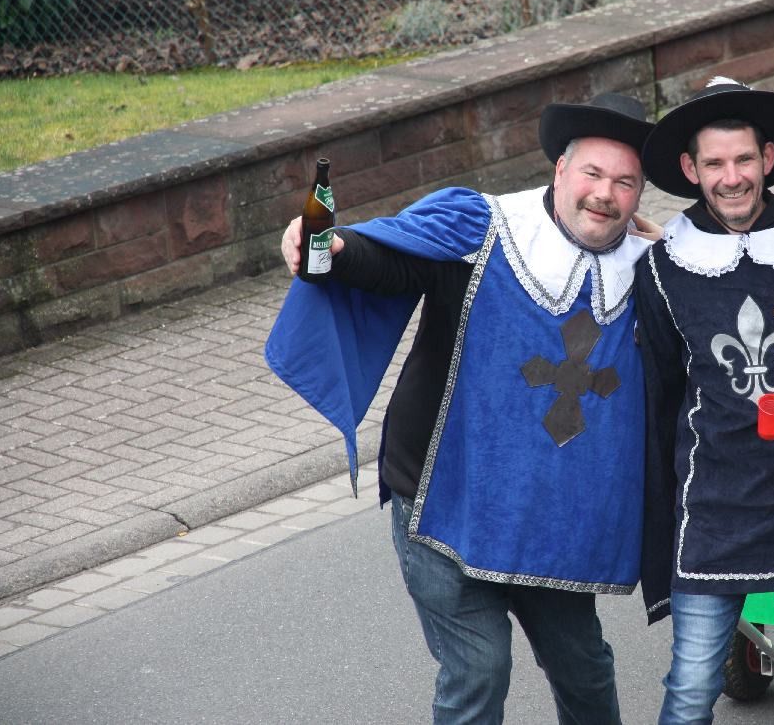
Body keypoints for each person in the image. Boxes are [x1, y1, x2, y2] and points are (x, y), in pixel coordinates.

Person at [266, 92, 658, 724]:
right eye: (592, 173)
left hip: (551, 523)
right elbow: (389, 261)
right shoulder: (482, 227)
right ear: (560, 169)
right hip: (445, 503)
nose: (605, 195)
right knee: (479, 669)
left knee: (584, 671)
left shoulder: (651, 271)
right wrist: (335, 250)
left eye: (625, 182)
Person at [634, 77, 774, 725]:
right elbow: (658, 394)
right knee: (691, 688)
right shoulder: (663, 266)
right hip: (712, 510)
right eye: (715, 163)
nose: (732, 178)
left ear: (768, 158)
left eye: (744, 159)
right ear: (690, 168)